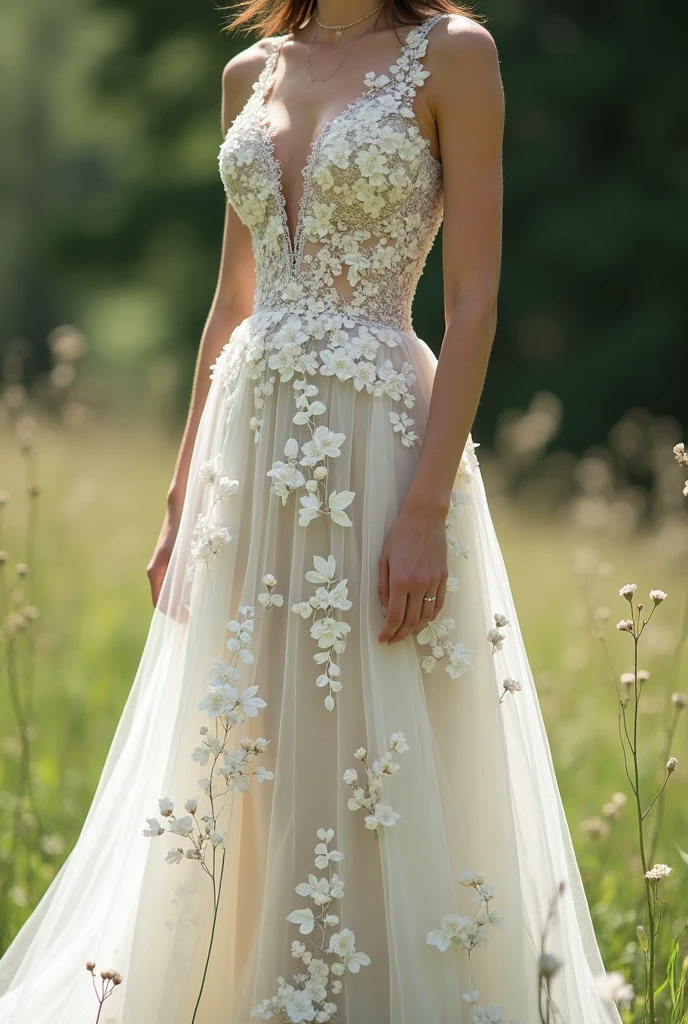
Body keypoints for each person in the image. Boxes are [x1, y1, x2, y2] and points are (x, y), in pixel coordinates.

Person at [0, 2, 624, 1022]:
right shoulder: (250, 74)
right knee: (249, 741)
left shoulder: (455, 57)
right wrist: (178, 491)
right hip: (247, 449)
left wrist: (423, 504)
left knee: (368, 735)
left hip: (379, 440)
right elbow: (232, 301)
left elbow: (473, 299)